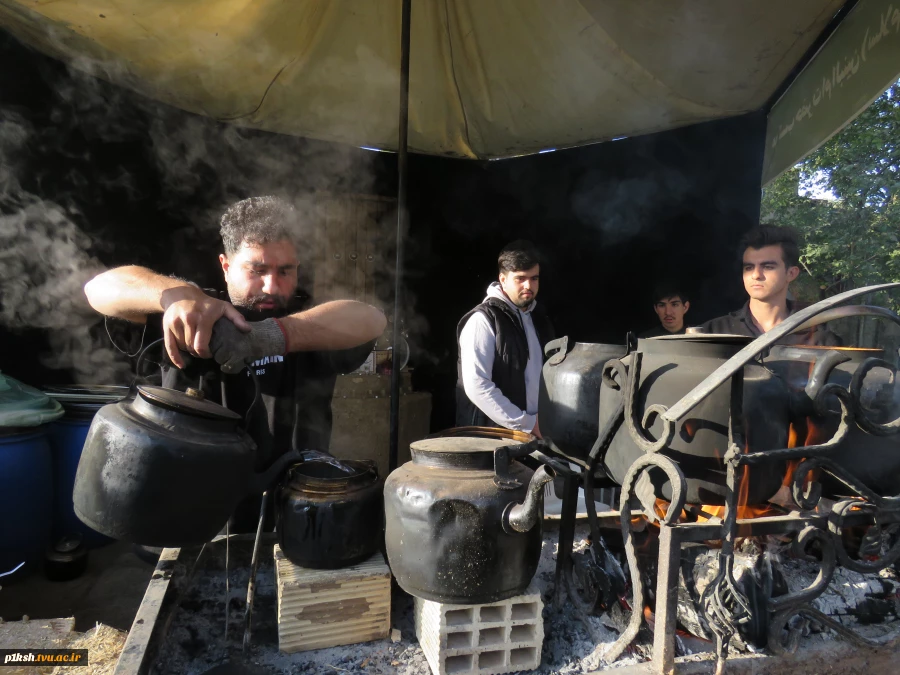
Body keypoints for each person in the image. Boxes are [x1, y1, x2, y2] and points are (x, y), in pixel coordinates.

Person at [84, 196, 387, 475]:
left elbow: (372, 318)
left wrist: (271, 335)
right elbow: (98, 289)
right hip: (191, 507)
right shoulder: (192, 313)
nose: (271, 286)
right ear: (226, 267)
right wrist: (176, 296)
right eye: (257, 270)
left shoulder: (310, 318)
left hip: (296, 507)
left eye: (285, 271)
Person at [456, 240, 555, 437]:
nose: (529, 285)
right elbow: (477, 385)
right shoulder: (483, 320)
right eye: (520, 278)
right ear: (503, 279)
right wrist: (526, 423)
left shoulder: (539, 318)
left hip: (532, 437)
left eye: (534, 278)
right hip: (490, 440)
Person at [702, 225, 840, 345]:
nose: (756, 275)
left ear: (791, 273)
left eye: (768, 267)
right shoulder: (714, 333)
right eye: (749, 267)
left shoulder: (818, 338)